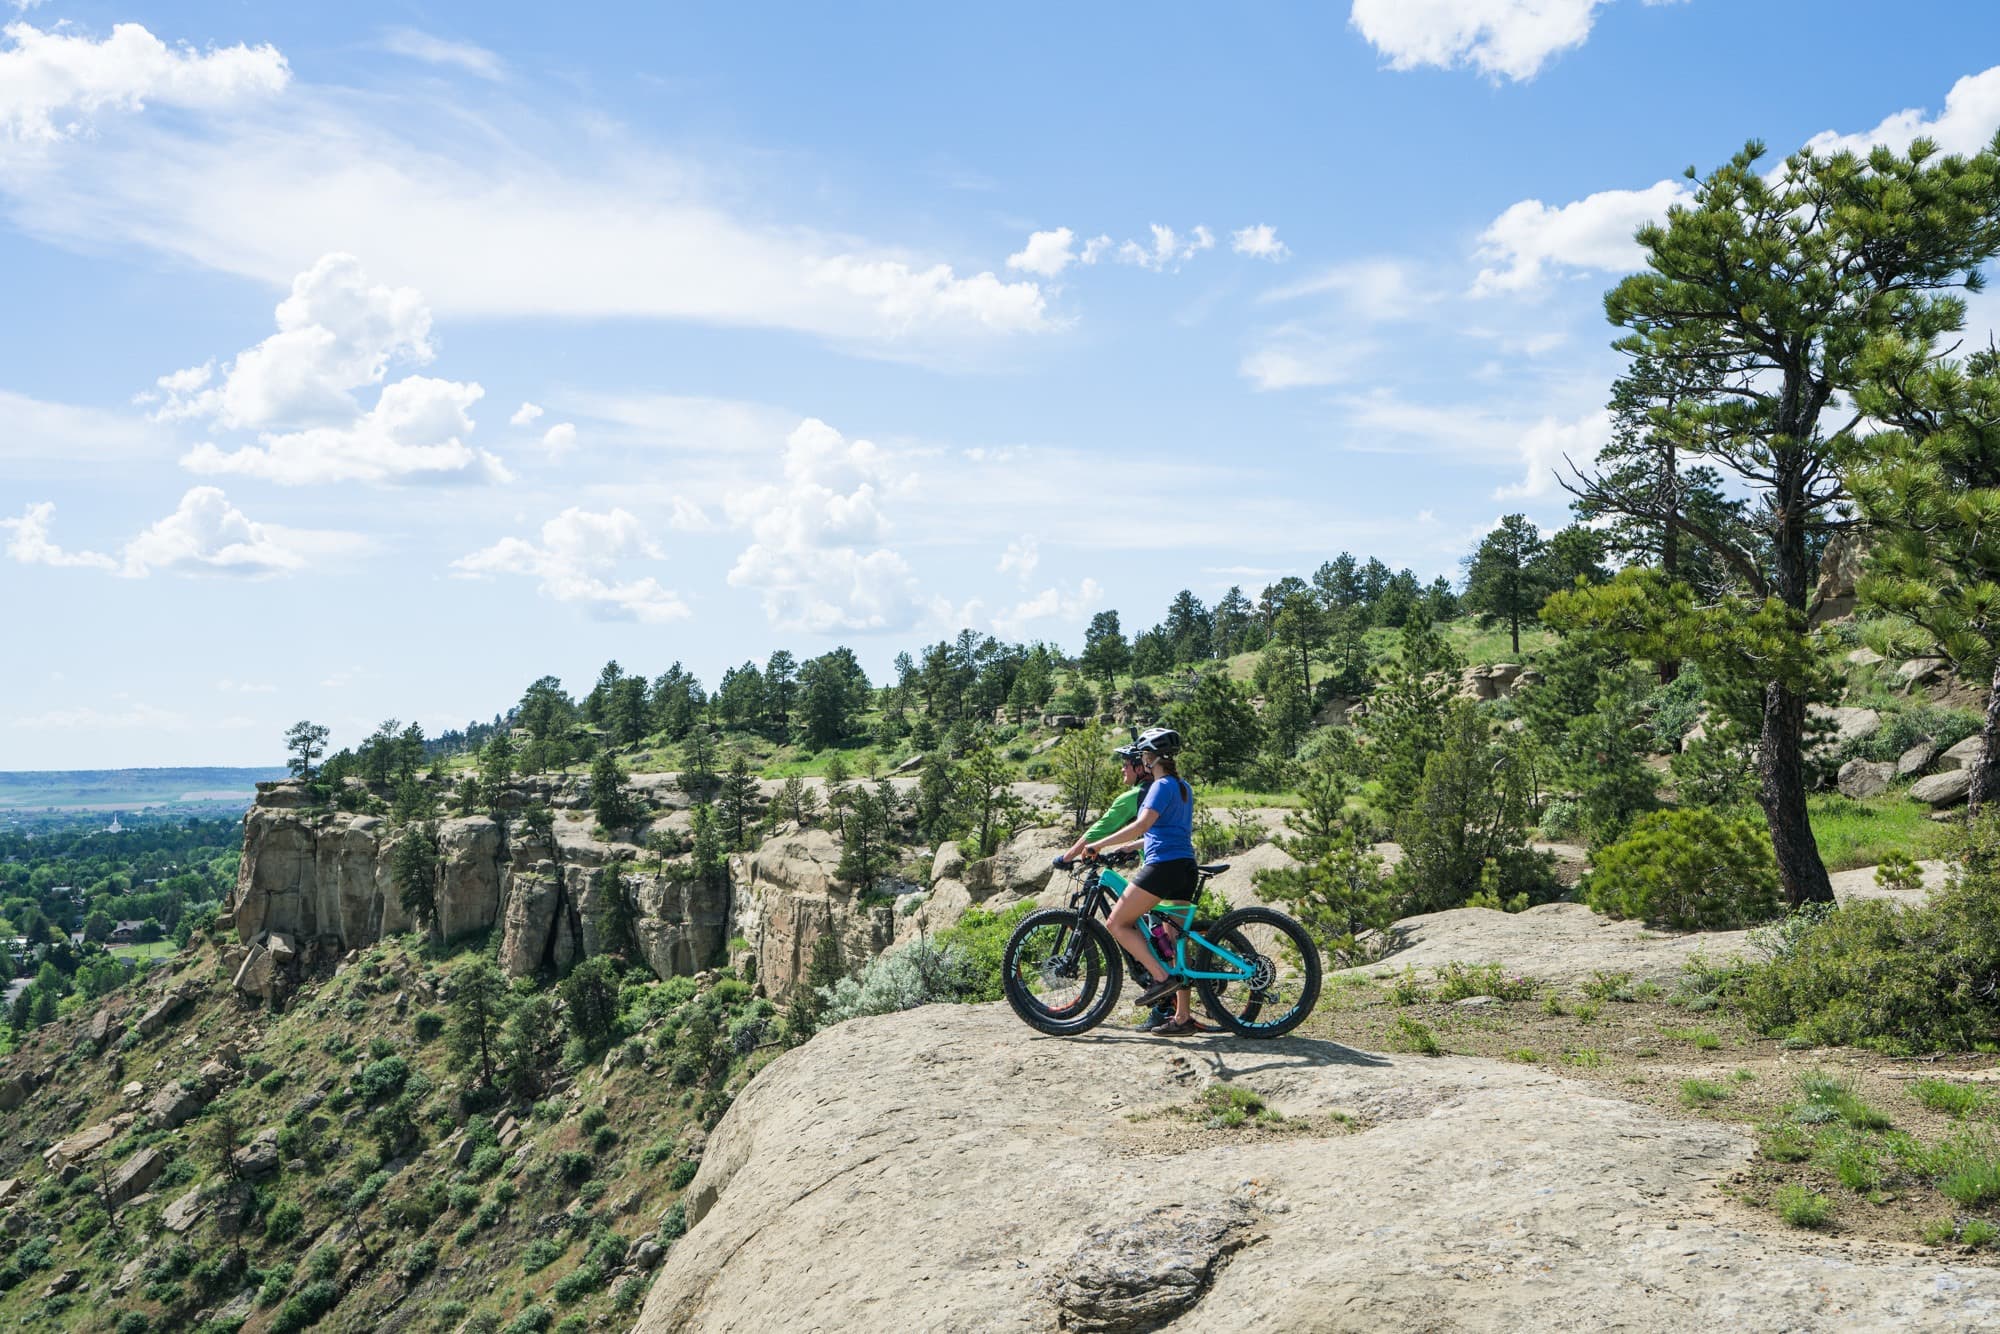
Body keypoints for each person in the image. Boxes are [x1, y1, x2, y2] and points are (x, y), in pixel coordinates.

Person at [1081, 727, 1203, 1036]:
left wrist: (1099, 845)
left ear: (1151, 759)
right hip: (1185, 867)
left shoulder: (1160, 785)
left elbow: (1141, 825)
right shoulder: (1183, 786)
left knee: (1117, 923)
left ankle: (1160, 979)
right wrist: (1131, 847)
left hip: (1162, 867)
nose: (1142, 760)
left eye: (1144, 755)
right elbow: (1168, 832)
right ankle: (1182, 1017)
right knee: (1175, 941)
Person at [1056, 743, 1177, 1031]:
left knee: (1133, 928)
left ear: (1140, 765)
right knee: (1156, 934)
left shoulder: (1136, 796)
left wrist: (1068, 856)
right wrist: (1127, 849)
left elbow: (1102, 827)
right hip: (1168, 865)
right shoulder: (1164, 788)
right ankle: (1170, 1005)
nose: (1121, 769)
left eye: (1126, 763)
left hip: (1158, 871)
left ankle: (1164, 1006)